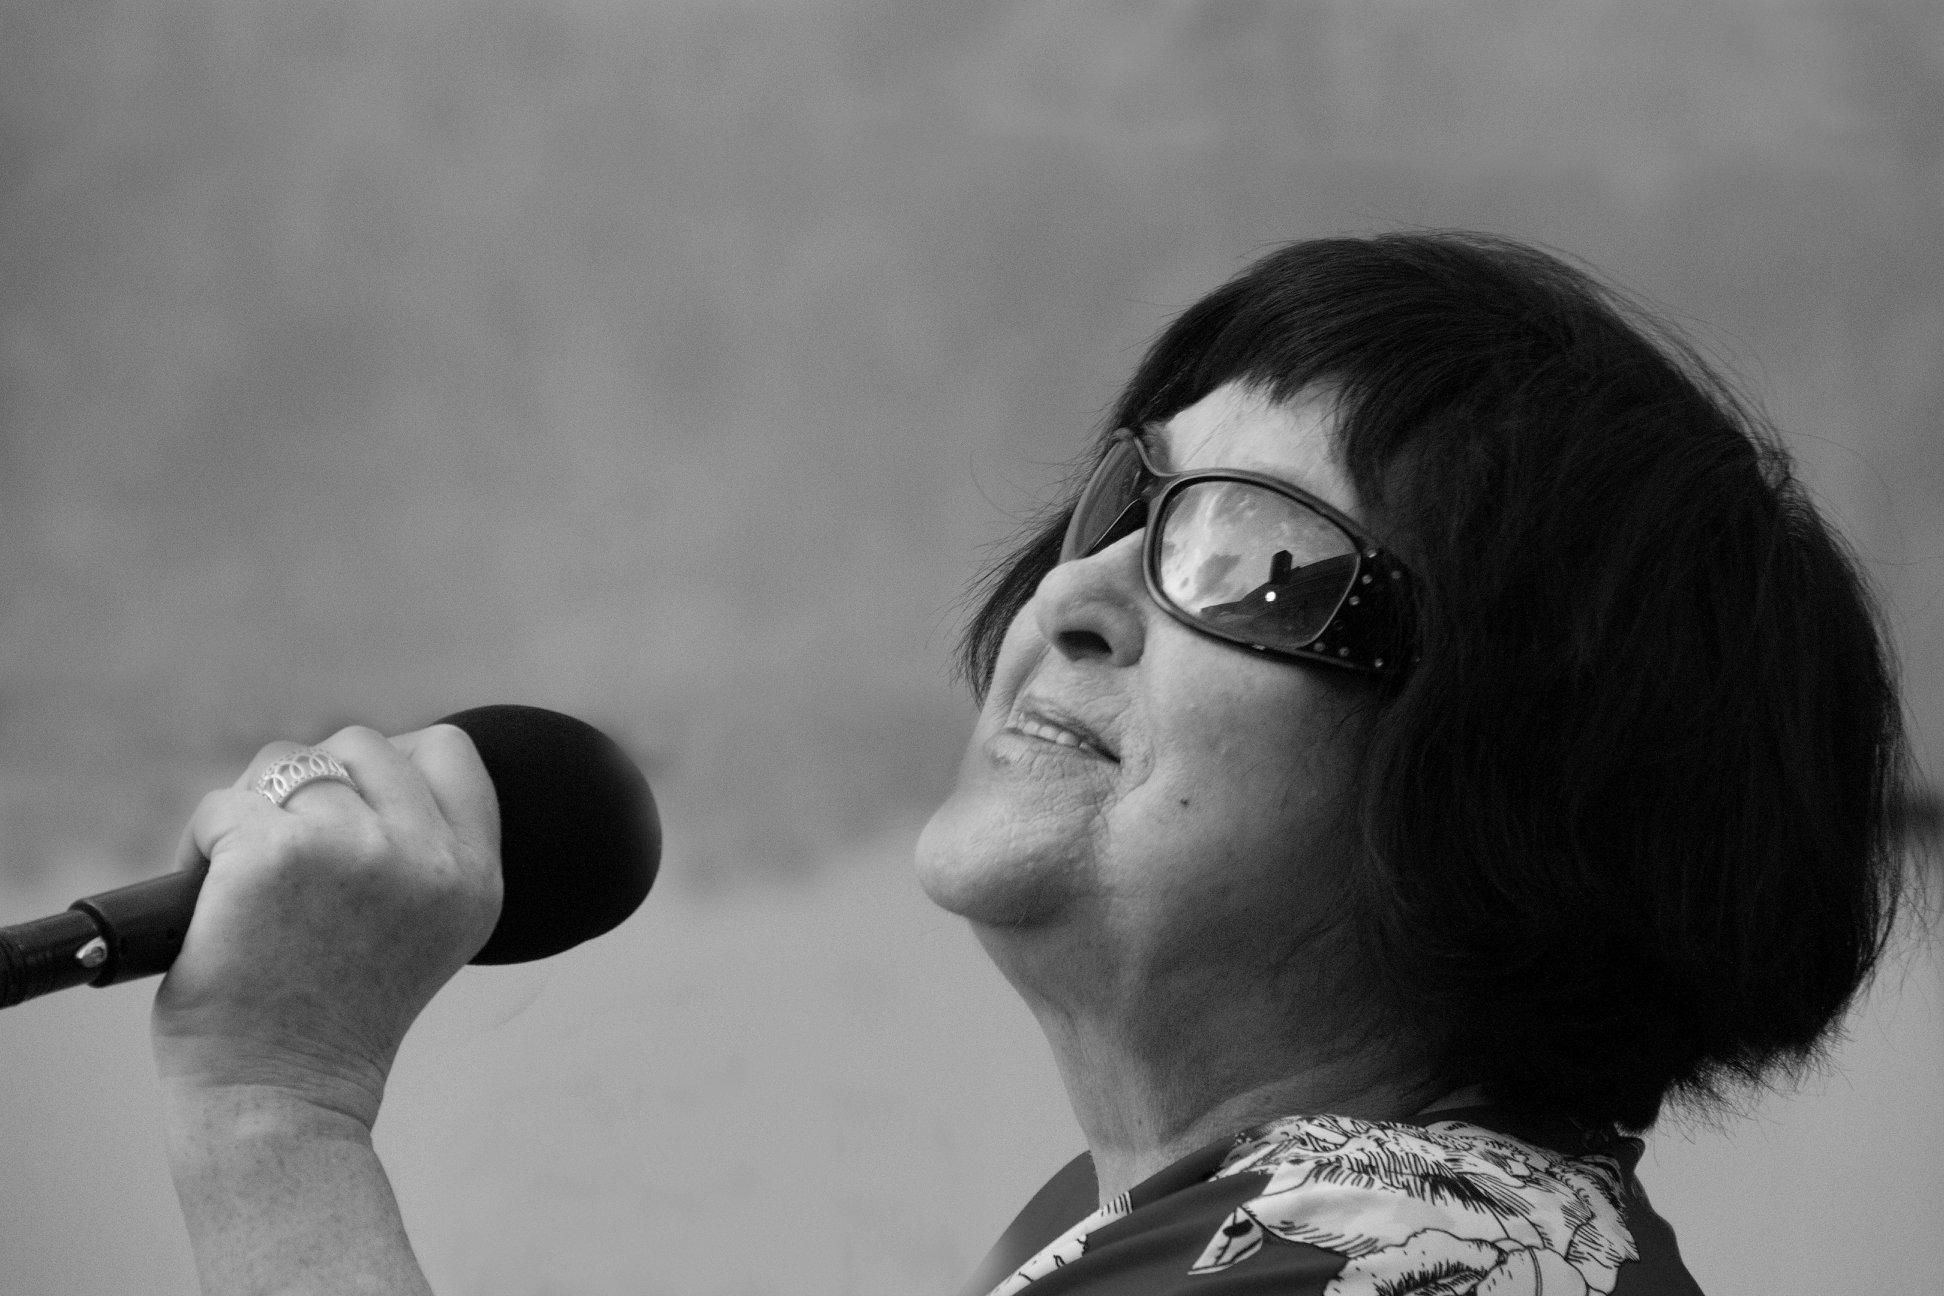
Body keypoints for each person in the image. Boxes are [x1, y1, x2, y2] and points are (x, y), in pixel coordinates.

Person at [153, 232, 1914, 1295]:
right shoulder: (1252, 1227)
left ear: (1518, 774)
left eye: (1251, 555)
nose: (1072, 595)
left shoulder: (1397, 1265)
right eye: (1130, 500)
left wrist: (277, 1114)